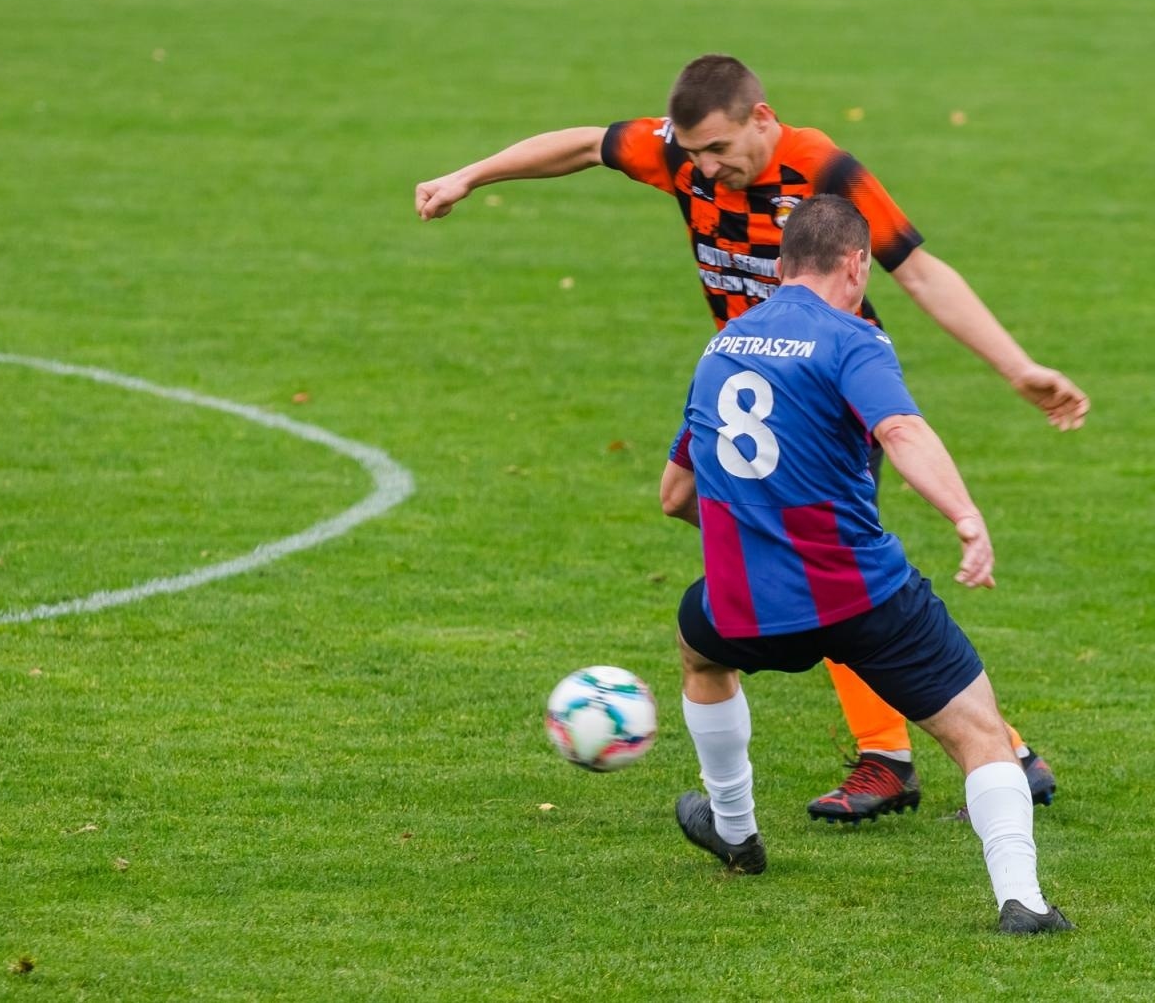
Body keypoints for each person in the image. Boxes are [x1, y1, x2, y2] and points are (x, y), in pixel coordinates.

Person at [414, 54, 1087, 822]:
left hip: (829, 390)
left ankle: (910, 756)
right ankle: (993, 750)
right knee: (689, 505)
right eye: (693, 153)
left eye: (719, 150)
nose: (705, 169)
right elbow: (583, 144)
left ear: (762, 119)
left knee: (822, 576)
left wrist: (1017, 368)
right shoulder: (683, 152)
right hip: (743, 383)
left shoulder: (822, 167)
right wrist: (470, 176)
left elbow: (919, 271)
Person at [657, 195, 1072, 934]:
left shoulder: (720, 348)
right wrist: (966, 518)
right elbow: (902, 430)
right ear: (856, 264)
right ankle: (1023, 902)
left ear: (780, 266)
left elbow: (674, 495)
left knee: (699, 650)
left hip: (747, 606)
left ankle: (735, 828)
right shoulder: (853, 340)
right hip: (863, 600)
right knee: (979, 733)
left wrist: (752, 534)